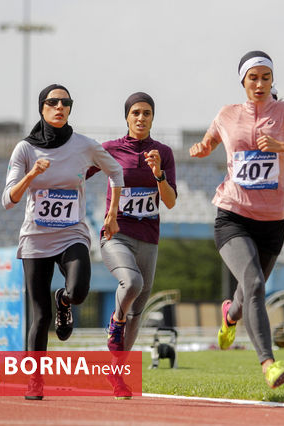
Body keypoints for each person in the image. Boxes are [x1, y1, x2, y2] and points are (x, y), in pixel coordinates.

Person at [189, 50, 284, 388]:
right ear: (243, 81)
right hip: (233, 214)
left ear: (272, 81)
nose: (260, 83)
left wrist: (282, 146)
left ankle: (230, 315)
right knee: (254, 285)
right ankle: (268, 362)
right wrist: (202, 148)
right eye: (253, 77)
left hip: (274, 220)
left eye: (266, 77)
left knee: (246, 294)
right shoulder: (227, 114)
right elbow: (209, 140)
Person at [2, 84, 124, 400]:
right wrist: (31, 176)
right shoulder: (25, 150)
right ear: (42, 107)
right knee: (40, 315)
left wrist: (112, 214)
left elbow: (116, 171)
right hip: (36, 239)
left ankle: (65, 301)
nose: (59, 107)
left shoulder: (84, 146)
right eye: (53, 102)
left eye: (65, 103)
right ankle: (35, 381)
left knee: (80, 291)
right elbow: (8, 199)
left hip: (72, 234)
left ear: (70, 108)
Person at [87, 92, 177, 399]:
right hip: (116, 233)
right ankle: (115, 322)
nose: (141, 118)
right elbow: (78, 173)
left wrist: (159, 175)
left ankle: (118, 374)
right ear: (127, 117)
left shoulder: (163, 152)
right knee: (131, 281)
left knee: (138, 311)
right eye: (136, 112)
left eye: (147, 113)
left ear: (153, 118)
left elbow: (170, 201)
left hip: (149, 238)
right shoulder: (110, 149)